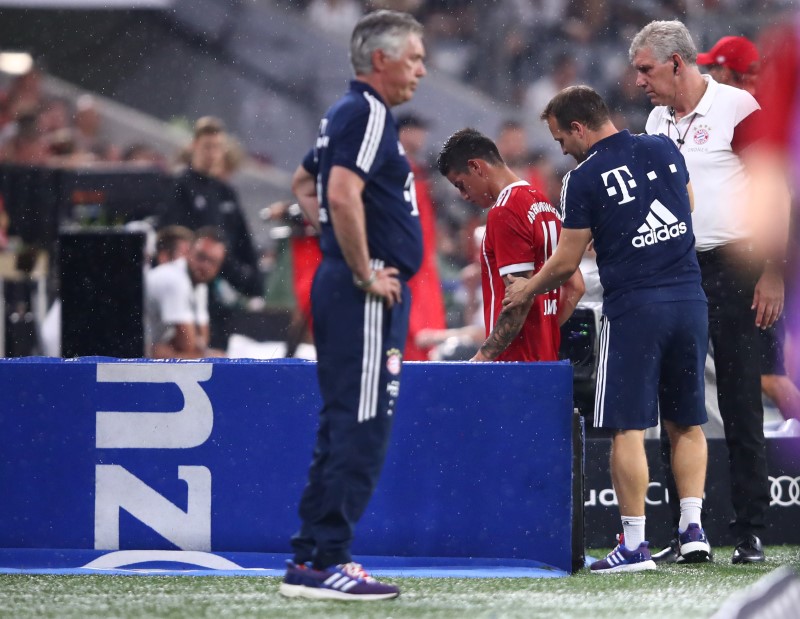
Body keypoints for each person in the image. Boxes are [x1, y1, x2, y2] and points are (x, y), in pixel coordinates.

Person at [504, 85, 710, 573]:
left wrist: (527, 289)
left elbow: (565, 262)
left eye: (560, 137)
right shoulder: (662, 145)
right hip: (689, 299)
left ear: (578, 127)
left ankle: (635, 544)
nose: (560, 148)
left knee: (628, 426)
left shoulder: (582, 177)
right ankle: (692, 530)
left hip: (636, 307)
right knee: (687, 419)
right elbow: (690, 204)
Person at [278, 10, 426, 601]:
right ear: (381, 60)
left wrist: (338, 250)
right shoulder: (366, 110)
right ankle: (329, 559)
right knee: (361, 428)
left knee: (344, 424)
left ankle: (311, 560)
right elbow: (337, 191)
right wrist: (362, 269)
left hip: (348, 288)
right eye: (413, 57)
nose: (421, 68)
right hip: (363, 296)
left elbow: (301, 182)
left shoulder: (346, 112)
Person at [629, 20, 783, 565]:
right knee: (680, 404)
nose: (639, 81)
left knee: (741, 401)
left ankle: (751, 532)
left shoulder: (738, 108)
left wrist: (773, 271)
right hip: (678, 268)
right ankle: (687, 531)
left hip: (737, 266)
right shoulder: (655, 119)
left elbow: (777, 188)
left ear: (676, 63)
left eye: (646, 69)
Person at [697, 34, 800, 423]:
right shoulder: (763, 107)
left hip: (768, 251)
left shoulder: (748, 114)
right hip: (774, 249)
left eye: (712, 68)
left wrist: (772, 269)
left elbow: (777, 195)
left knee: (769, 374)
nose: (707, 75)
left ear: (726, 70)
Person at [436, 127, 584, 361]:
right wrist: (542, 331)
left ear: (476, 167)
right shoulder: (542, 202)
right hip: (547, 359)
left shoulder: (505, 210)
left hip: (512, 365)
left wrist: (481, 359)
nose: (464, 195)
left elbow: (518, 301)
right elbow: (576, 287)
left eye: (460, 184)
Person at [161, 116, 263, 349]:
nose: (212, 153)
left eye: (217, 147)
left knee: (216, 355)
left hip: (220, 300)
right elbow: (170, 237)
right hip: (187, 293)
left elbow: (243, 243)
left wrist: (250, 279)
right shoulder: (177, 187)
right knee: (186, 353)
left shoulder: (226, 193)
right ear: (194, 145)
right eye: (207, 146)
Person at [396, 113, 447, 361]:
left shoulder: (422, 171)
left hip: (423, 257)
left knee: (424, 323)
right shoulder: (395, 169)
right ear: (404, 133)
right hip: (406, 257)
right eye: (417, 131)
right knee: (410, 323)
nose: (422, 137)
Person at [145, 226, 227, 359]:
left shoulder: (200, 284)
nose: (205, 266)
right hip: (129, 353)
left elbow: (202, 342)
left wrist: (186, 352)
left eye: (213, 262)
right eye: (201, 257)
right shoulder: (173, 279)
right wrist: (198, 353)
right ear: (188, 251)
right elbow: (188, 345)